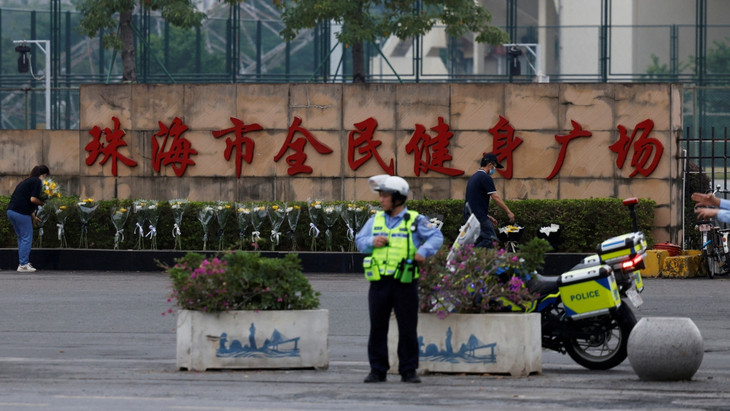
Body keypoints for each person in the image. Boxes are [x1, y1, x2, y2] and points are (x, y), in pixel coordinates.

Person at [355, 174, 443, 384]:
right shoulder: (375, 220)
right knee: (377, 327)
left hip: (405, 282)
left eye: (384, 195)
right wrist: (371, 241)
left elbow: (436, 236)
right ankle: (377, 370)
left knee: (407, 327)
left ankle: (408, 370)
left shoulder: (414, 220)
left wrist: (423, 251)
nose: (381, 199)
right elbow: (359, 241)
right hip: (379, 283)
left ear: (397, 198)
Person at [463, 153, 515, 248]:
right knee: (490, 240)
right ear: (490, 164)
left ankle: (475, 259)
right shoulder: (485, 177)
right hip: (478, 216)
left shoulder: (474, 177)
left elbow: (473, 200)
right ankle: (469, 256)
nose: (494, 169)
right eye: (495, 166)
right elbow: (495, 197)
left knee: (482, 240)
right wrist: (508, 211)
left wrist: (487, 216)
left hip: (472, 215)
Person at [7, 165, 50, 272]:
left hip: (11, 211)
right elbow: (33, 199)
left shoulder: (27, 181)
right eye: (45, 176)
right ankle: (23, 264)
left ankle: (22, 262)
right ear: (43, 174)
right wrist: (43, 203)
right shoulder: (37, 181)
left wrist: (33, 216)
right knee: (26, 237)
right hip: (20, 212)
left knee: (21, 238)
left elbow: (24, 199)